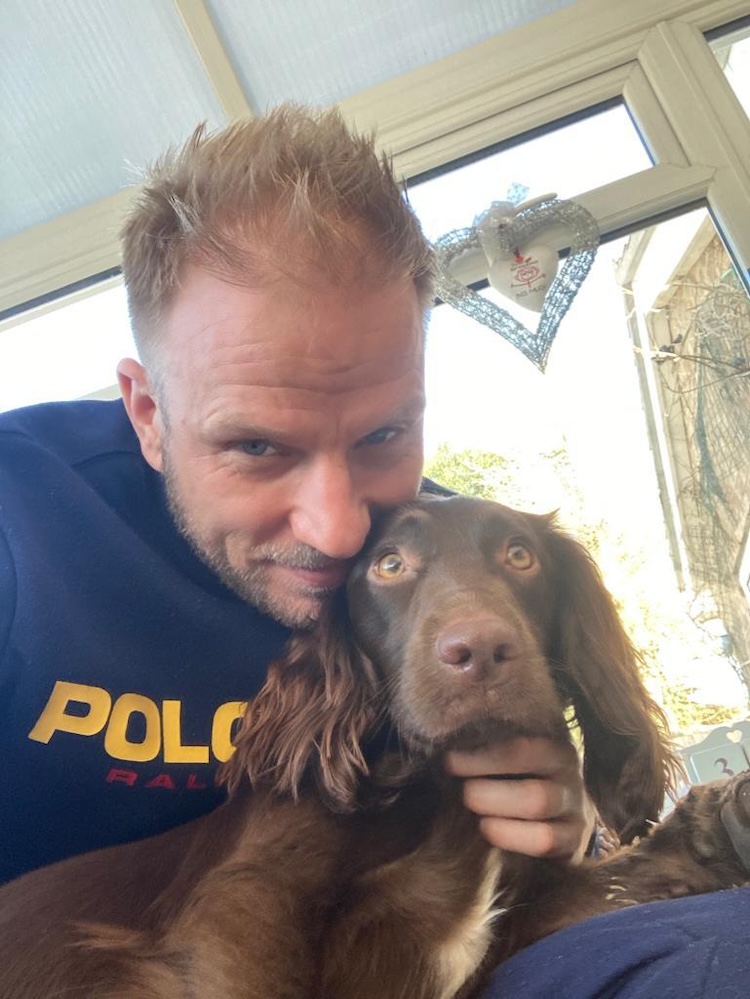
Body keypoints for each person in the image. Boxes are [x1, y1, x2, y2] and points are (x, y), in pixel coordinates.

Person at [0, 104, 747, 994]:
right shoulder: (23, 519)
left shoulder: (432, 556)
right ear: (149, 413)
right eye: (257, 447)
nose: (340, 528)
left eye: (384, 433)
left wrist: (563, 820)